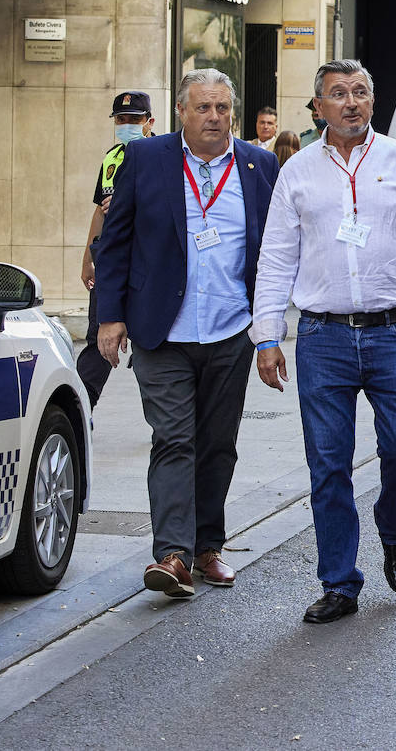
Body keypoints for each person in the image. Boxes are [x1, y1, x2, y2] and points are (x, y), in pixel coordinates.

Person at [251, 59, 396, 625]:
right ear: (317, 107)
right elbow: (275, 258)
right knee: (327, 464)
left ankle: (394, 527)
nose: (351, 102)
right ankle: (340, 582)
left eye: (361, 93)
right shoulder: (296, 172)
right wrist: (267, 334)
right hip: (322, 338)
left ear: (373, 101)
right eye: (338, 94)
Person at [94, 69, 279, 598]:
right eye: (203, 108)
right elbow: (115, 242)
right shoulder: (145, 161)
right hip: (162, 329)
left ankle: (206, 547)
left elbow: (274, 249)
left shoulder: (258, 164)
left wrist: (269, 328)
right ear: (181, 112)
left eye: (222, 108)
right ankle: (171, 555)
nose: (214, 117)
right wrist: (111, 316)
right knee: (174, 438)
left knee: (217, 445)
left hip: (230, 330)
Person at [77, 91, 154, 409]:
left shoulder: (162, 156)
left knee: (151, 342)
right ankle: (81, 410)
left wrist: (128, 204)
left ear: (149, 122)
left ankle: (165, 418)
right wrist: (87, 258)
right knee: (98, 335)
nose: (127, 125)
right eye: (121, 120)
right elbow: (100, 210)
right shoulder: (111, 158)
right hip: (110, 260)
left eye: (134, 120)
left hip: (147, 261)